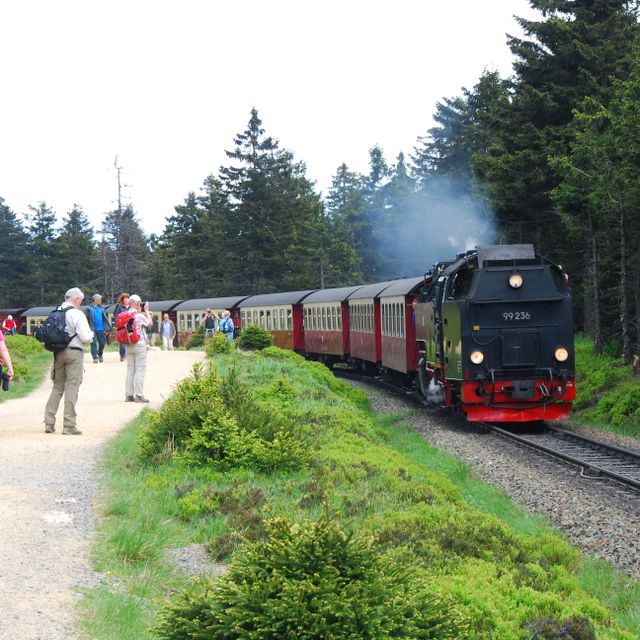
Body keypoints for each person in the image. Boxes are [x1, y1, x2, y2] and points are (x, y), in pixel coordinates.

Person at [43, 287, 94, 435]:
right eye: (81, 300)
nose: (80, 303)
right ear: (76, 299)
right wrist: (91, 335)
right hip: (74, 353)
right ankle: (69, 425)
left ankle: (49, 422)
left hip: (58, 353)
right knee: (72, 386)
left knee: (57, 387)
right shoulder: (77, 313)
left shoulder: (55, 312)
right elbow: (85, 337)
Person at [124, 294, 152, 403]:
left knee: (130, 370)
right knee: (140, 370)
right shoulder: (139, 315)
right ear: (136, 304)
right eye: (139, 303)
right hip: (139, 344)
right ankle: (139, 395)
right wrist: (147, 311)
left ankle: (129, 395)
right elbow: (150, 323)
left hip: (129, 344)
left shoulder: (125, 314)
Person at [86, 293, 111, 363]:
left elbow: (104, 319)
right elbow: (87, 319)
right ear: (95, 300)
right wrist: (88, 329)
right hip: (93, 329)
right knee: (93, 343)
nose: (101, 300)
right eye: (100, 299)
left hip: (101, 329)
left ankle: (100, 354)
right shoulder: (89, 309)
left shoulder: (101, 308)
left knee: (102, 343)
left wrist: (105, 329)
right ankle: (95, 357)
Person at [114, 292, 130, 362]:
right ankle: (122, 356)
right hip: (121, 326)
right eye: (125, 299)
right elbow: (116, 315)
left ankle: (128, 355)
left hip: (129, 326)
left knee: (130, 341)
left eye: (127, 298)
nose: (126, 300)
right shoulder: (119, 306)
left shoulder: (131, 307)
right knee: (122, 342)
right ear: (122, 300)